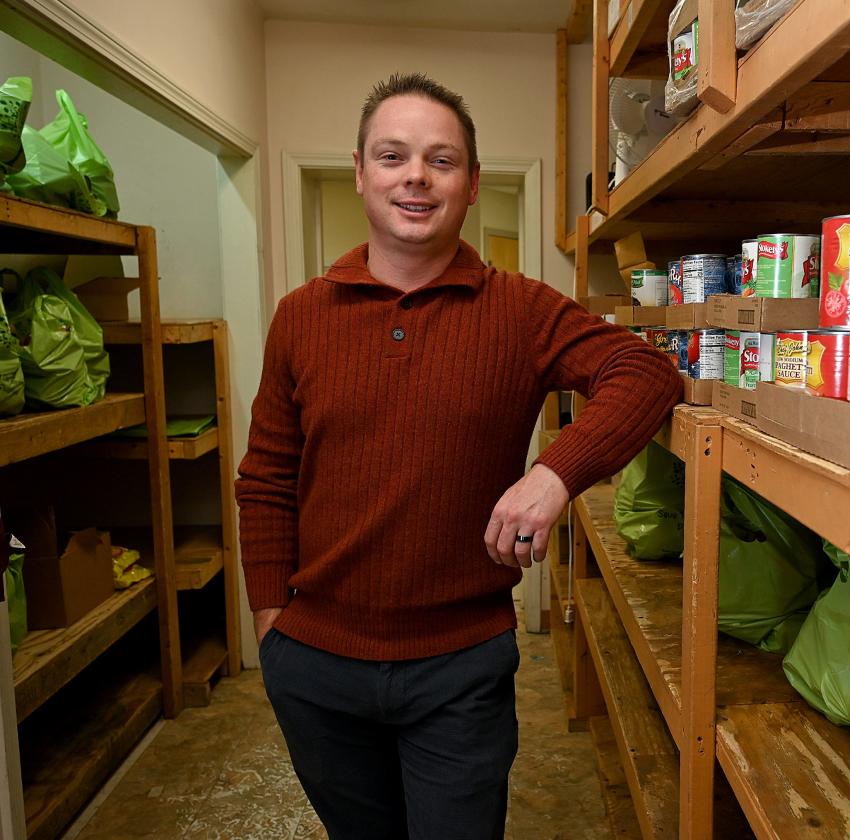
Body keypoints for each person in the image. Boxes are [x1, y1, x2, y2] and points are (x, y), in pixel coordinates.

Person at [235, 72, 682, 840]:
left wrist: (554, 475)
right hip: (315, 663)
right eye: (393, 155)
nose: (416, 176)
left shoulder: (521, 309)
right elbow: (267, 479)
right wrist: (273, 625)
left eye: (441, 161)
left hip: (459, 667)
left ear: (471, 185)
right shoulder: (301, 316)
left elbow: (648, 373)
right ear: (360, 172)